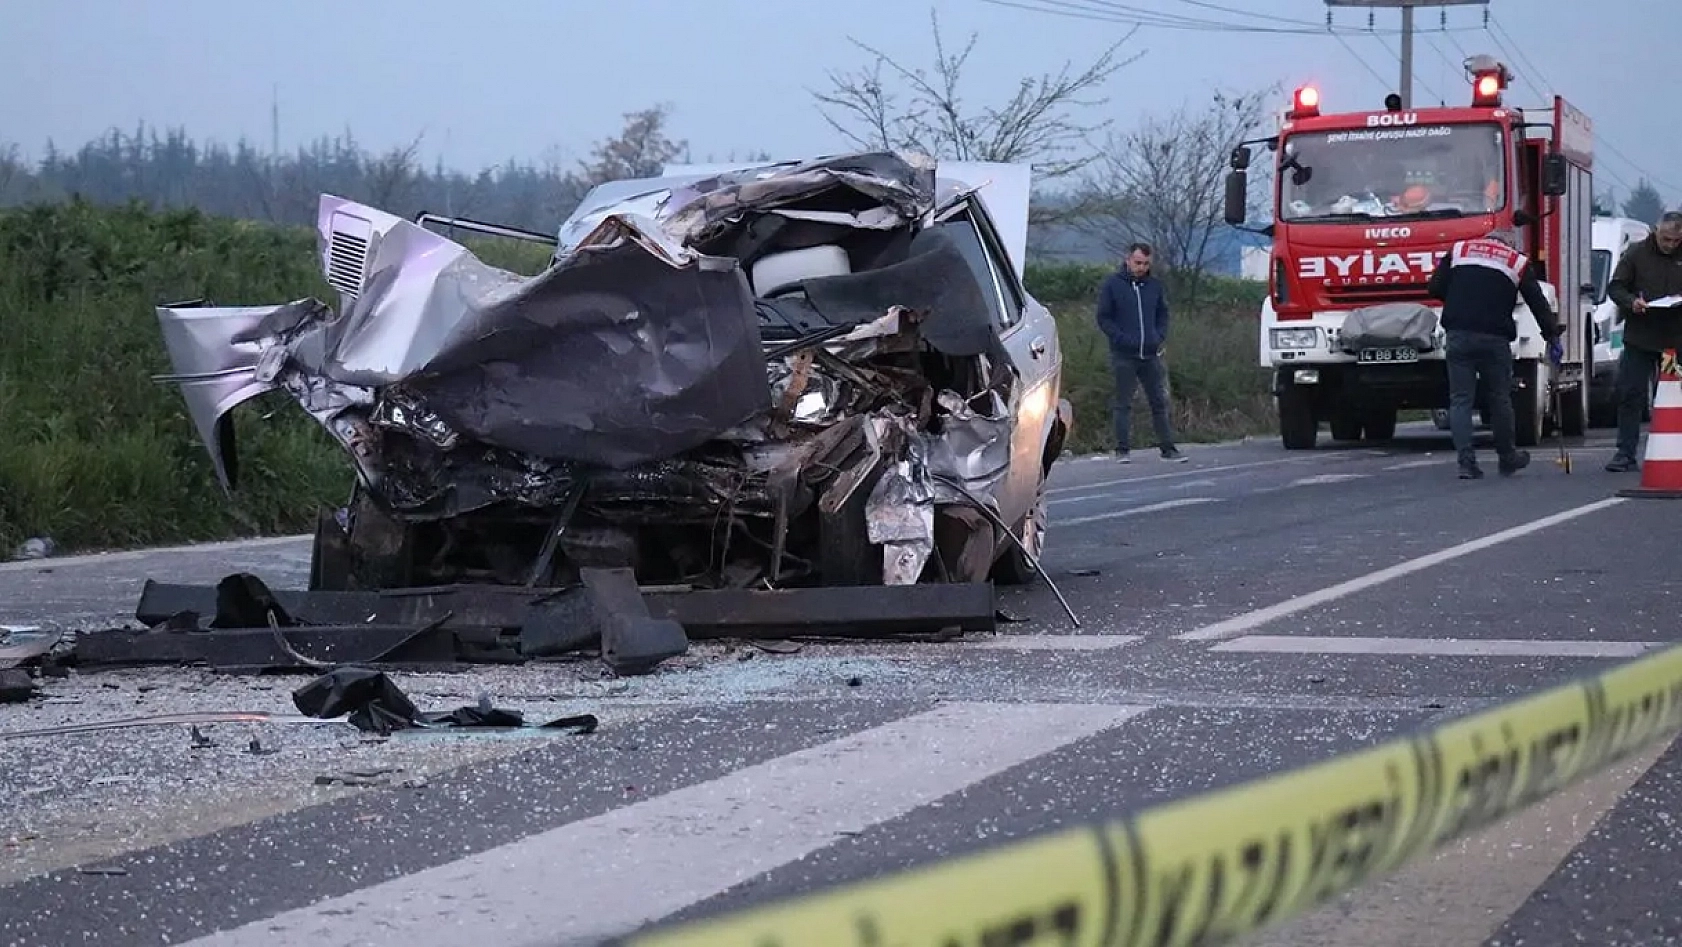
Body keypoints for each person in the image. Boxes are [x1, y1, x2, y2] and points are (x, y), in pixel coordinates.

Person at [1425, 227, 1562, 479]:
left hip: (1458, 334)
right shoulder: (1516, 261)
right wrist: (1551, 335)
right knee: (1499, 397)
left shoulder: (1459, 250)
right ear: (1508, 243)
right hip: (1494, 339)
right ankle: (1507, 457)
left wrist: (1460, 300)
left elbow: (1434, 287)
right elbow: (1537, 302)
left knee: (1460, 400)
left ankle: (1466, 463)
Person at [1604, 211, 1682, 472]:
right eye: (1666, 239)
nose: (1670, 245)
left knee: (1676, 394)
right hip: (1641, 337)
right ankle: (1625, 452)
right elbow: (1615, 287)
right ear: (1656, 231)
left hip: (1675, 341)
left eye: (1675, 241)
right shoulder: (1637, 253)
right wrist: (1631, 302)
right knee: (1631, 393)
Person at [1094, 242, 1186, 463]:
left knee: (1158, 402)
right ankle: (1122, 450)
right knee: (1123, 402)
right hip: (1123, 354)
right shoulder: (1113, 285)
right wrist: (1120, 338)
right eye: (1138, 263)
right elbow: (1104, 317)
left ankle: (1168, 449)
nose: (1141, 267)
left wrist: (1158, 335)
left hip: (1151, 354)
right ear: (1128, 260)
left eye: (1145, 263)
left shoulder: (1154, 286)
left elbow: (1162, 314)